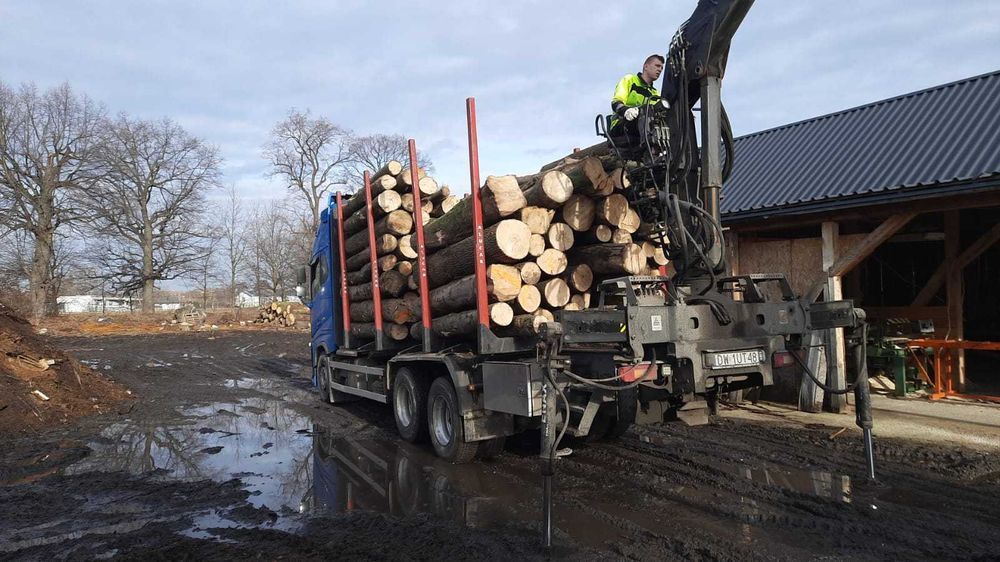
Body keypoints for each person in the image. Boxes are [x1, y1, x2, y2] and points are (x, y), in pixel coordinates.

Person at [610, 54, 667, 141]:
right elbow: (616, 102)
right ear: (646, 66)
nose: (659, 70)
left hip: (642, 127)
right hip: (621, 124)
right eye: (657, 66)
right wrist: (626, 110)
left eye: (662, 68)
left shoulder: (655, 94)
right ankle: (649, 149)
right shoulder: (630, 80)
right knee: (645, 114)